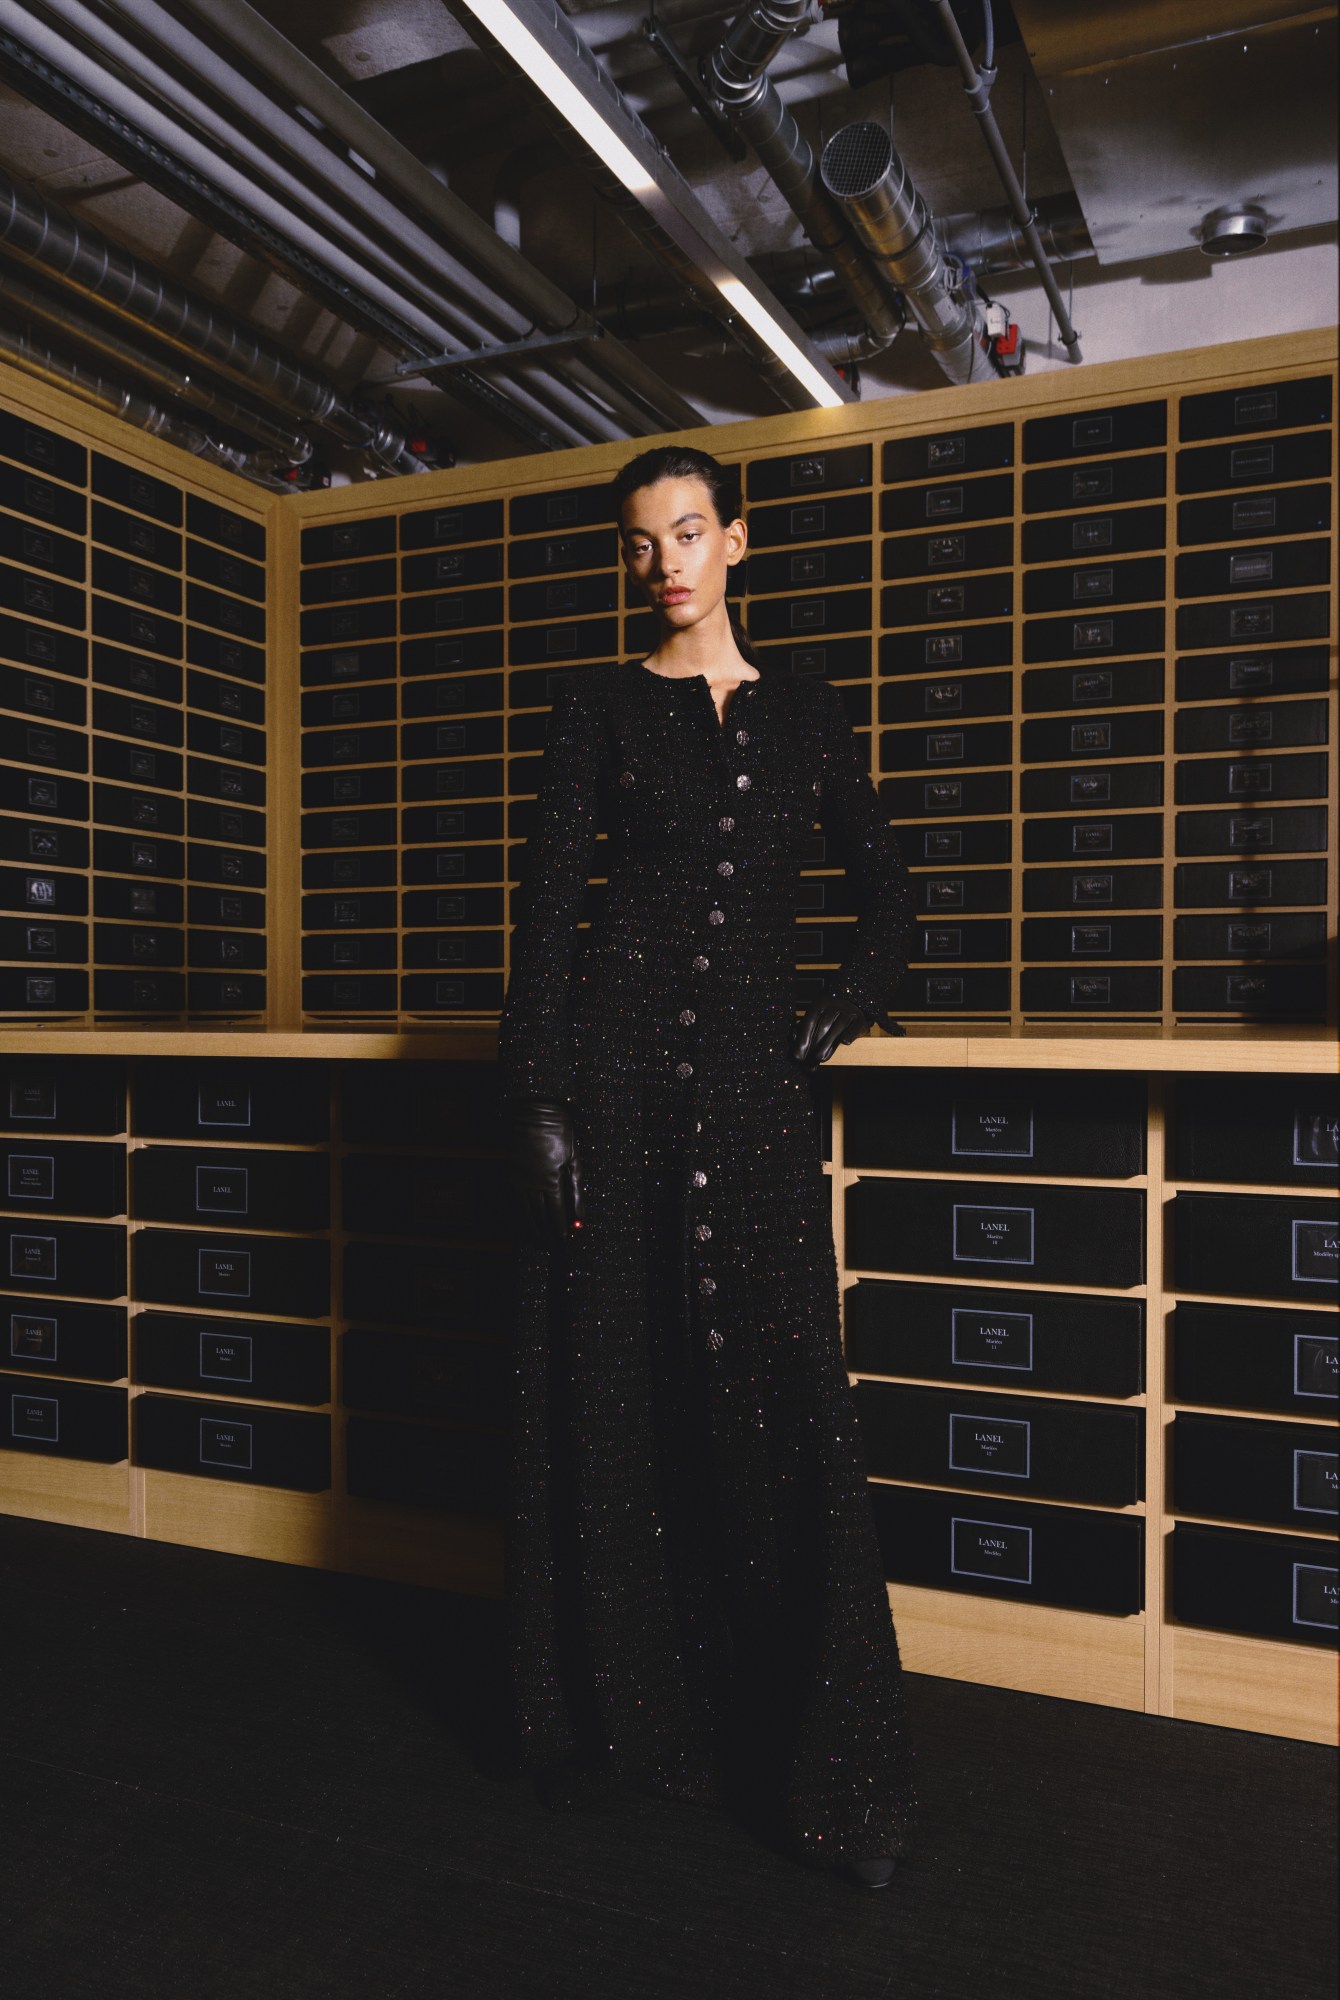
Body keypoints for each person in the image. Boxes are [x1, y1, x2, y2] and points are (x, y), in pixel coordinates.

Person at [499, 444, 916, 1888]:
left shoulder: (804, 711)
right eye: (641, 542)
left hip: (749, 1100)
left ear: (738, 539)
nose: (666, 561)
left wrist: (848, 995)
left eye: (688, 532)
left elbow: (891, 895)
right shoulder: (600, 708)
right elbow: (550, 922)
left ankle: (825, 1775)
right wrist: (541, 1101)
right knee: (614, 1395)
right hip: (614, 1089)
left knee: (777, 1395)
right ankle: (620, 1736)